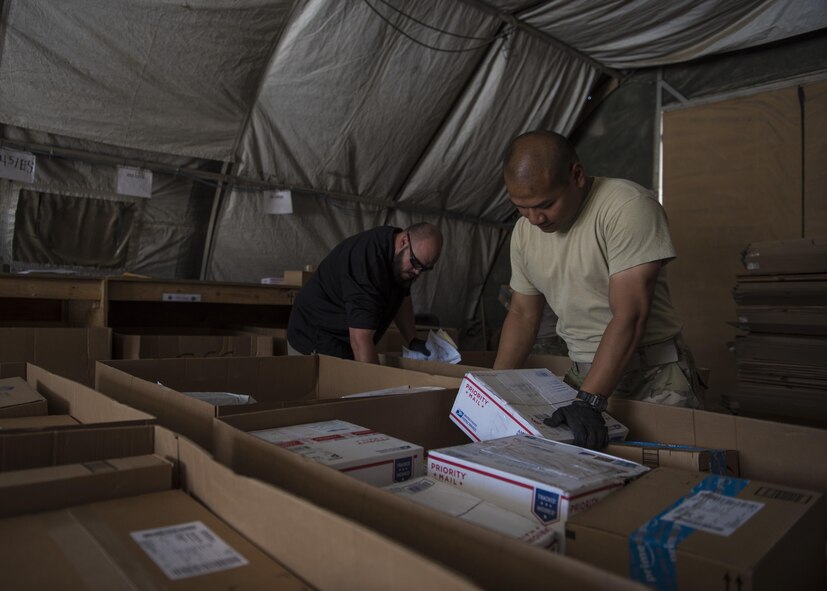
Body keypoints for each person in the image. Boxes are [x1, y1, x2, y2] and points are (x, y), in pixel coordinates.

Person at [494, 130, 703, 450]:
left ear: (576, 175)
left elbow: (630, 315)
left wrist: (589, 401)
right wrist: (494, 389)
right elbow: (522, 314)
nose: (534, 219)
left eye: (545, 205)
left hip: (652, 376)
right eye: (521, 207)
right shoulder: (525, 233)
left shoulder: (627, 207)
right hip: (582, 377)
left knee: (667, 475)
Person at [287, 223, 442, 364]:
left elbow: (402, 296)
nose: (417, 272)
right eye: (415, 264)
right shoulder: (367, 267)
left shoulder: (398, 256)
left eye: (425, 269)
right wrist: (376, 392)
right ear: (403, 242)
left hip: (345, 338)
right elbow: (361, 341)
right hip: (313, 337)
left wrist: (412, 339)